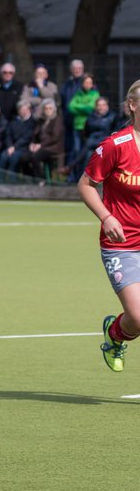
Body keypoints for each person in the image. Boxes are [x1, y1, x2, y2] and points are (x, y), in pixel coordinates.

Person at [78, 78, 140, 372]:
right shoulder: (116, 145)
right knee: (138, 318)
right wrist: (106, 216)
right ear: (133, 106)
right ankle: (115, 335)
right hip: (122, 245)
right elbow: (87, 185)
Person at [76, 96, 118, 180]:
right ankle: (85, 179)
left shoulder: (113, 116)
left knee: (88, 143)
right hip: (92, 142)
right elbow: (86, 130)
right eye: (99, 105)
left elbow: (115, 131)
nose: (101, 107)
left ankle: (72, 165)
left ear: (107, 106)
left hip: (106, 143)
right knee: (88, 154)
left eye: (103, 105)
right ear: (96, 107)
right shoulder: (90, 117)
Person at [0, 100, 36, 181]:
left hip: (24, 148)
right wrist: (10, 146)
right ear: (18, 111)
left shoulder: (32, 122)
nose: (24, 112)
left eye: (26, 109)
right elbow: (8, 135)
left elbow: (27, 137)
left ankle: (12, 181)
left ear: (30, 110)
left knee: (14, 158)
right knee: (3, 157)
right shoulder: (13, 121)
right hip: (11, 147)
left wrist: (14, 147)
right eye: (22, 110)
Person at [67, 74, 100, 164]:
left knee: (86, 153)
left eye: (90, 82)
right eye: (86, 82)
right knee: (76, 151)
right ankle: (74, 175)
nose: (88, 84)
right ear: (82, 84)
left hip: (88, 128)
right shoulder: (78, 94)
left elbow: (90, 108)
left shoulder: (95, 94)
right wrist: (84, 108)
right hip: (77, 126)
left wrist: (78, 108)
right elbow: (70, 107)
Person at [29, 99, 65, 180]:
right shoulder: (41, 120)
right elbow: (36, 134)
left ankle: (41, 179)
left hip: (53, 147)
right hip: (43, 146)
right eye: (46, 108)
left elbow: (55, 137)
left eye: (50, 108)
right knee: (26, 156)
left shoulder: (57, 119)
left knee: (35, 157)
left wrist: (41, 145)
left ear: (54, 109)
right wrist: (33, 143)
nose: (48, 110)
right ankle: (32, 177)